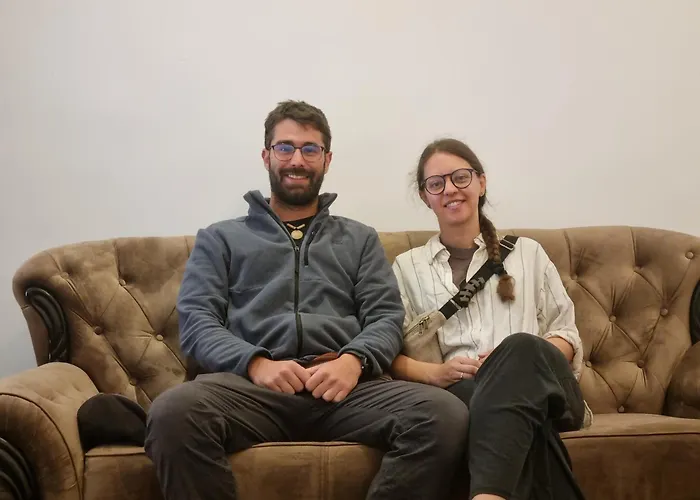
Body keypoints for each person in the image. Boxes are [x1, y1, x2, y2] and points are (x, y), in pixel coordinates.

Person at [144, 101, 469, 500]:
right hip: (250, 390)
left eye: (310, 149)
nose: (297, 160)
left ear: (326, 159)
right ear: (266, 155)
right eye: (285, 147)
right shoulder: (220, 239)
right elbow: (197, 323)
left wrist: (354, 361)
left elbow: (385, 317)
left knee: (444, 414)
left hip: (345, 391)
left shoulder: (359, 239)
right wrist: (256, 363)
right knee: (172, 414)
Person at [391, 138, 590, 500]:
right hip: (465, 394)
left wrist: (511, 364)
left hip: (550, 392)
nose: (450, 189)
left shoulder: (527, 252)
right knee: (508, 417)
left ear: (481, 183)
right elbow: (390, 356)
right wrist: (437, 373)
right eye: (436, 183)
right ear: (425, 196)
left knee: (518, 350)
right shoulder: (407, 267)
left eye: (460, 177)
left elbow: (566, 335)